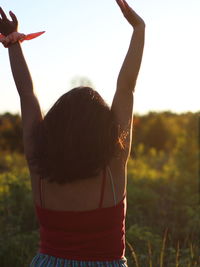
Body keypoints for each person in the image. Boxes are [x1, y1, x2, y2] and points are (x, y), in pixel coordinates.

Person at [0, 0, 145, 266]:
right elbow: (126, 88)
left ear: (54, 124)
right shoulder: (114, 163)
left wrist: (12, 43)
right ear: (103, 129)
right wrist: (139, 29)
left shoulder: (38, 162)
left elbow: (26, 93)